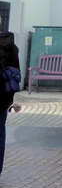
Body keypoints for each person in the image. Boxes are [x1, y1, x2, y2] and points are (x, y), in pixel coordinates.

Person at [0, 31, 21, 177]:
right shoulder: (11, 47)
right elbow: (16, 74)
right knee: (0, 136)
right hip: (2, 100)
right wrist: (10, 101)